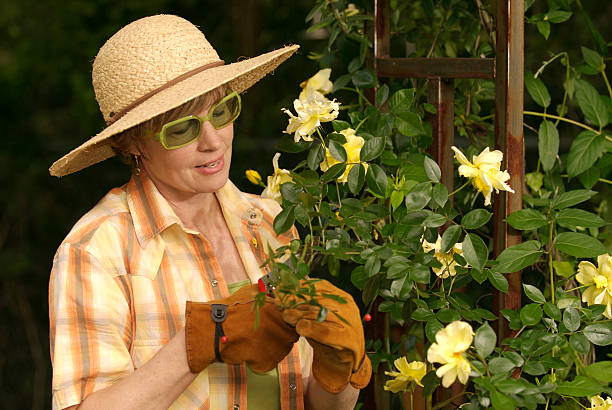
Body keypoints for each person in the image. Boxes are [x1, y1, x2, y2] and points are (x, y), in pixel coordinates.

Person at [48, 14, 371, 410]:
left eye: (221, 112)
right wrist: (196, 343)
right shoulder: (97, 250)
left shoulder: (272, 222)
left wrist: (339, 367)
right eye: (182, 129)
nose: (213, 141)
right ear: (133, 142)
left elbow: (313, 401)